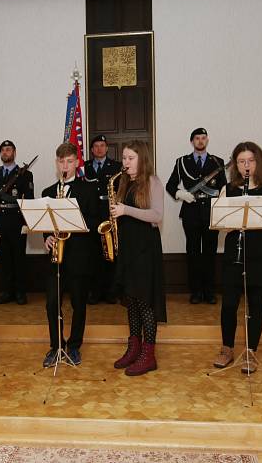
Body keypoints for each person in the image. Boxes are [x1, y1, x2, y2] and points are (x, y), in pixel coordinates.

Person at [213, 142, 262, 374]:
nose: (246, 165)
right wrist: (232, 221)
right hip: (234, 251)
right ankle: (227, 348)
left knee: (256, 303)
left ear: (258, 162)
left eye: (250, 161)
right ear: (236, 164)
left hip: (260, 252)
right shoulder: (227, 189)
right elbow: (218, 224)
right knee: (229, 303)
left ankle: (251, 351)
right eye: (241, 161)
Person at [41, 143, 100, 367]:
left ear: (77, 162)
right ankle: (56, 346)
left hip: (79, 256)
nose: (65, 165)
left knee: (78, 303)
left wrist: (76, 222)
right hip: (56, 257)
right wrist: (46, 237)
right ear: (57, 163)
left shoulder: (88, 190)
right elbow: (44, 223)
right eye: (61, 161)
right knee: (51, 304)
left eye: (69, 161)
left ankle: (74, 346)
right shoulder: (48, 193)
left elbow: (96, 222)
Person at [111, 141, 166, 376]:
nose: (125, 162)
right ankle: (134, 347)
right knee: (131, 300)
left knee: (145, 301)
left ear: (142, 159)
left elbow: (157, 215)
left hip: (146, 248)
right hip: (128, 248)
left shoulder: (153, 181)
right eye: (124, 158)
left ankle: (148, 353)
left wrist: (125, 210)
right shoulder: (123, 182)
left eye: (130, 158)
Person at [165, 128, 227, 304]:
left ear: (207, 140)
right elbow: (170, 185)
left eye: (203, 138)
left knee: (209, 252)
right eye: (197, 138)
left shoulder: (217, 162)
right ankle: (196, 291)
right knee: (193, 253)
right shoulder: (182, 162)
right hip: (191, 212)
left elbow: (224, 188)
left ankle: (209, 291)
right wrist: (180, 194)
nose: (200, 141)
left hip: (211, 212)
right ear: (192, 141)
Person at [0, 140, 34, 305]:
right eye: (3, 150)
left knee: (19, 258)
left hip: (17, 219)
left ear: (14, 152)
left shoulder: (25, 173)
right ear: (0, 153)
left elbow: (29, 199)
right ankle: (7, 291)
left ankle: (20, 292)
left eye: (9, 149)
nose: (6, 152)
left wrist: (27, 222)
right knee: (3, 259)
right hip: (0, 220)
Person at [83, 134, 122, 305]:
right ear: (92, 150)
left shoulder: (117, 166)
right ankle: (94, 291)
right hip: (91, 215)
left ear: (107, 148)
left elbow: (122, 190)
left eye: (102, 145)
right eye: (96, 146)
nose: (99, 148)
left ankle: (111, 292)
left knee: (110, 254)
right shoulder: (83, 168)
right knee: (92, 255)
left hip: (109, 214)